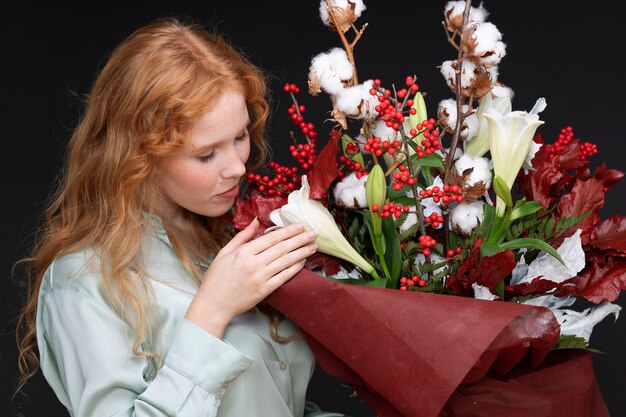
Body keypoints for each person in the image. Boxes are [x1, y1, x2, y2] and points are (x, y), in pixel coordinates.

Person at [15, 16, 346, 417]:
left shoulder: (227, 234)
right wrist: (212, 312)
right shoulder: (83, 281)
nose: (238, 168)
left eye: (240, 136)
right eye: (206, 154)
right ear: (140, 156)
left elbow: (268, 403)